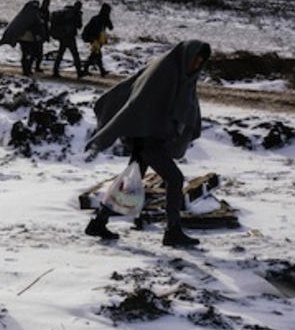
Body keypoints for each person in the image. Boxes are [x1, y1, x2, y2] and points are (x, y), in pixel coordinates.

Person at [84, 40, 212, 247]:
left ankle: (99, 222)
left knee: (130, 181)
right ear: (187, 55)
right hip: (146, 139)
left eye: (200, 62)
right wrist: (140, 132)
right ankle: (173, 231)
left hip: (150, 137)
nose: (196, 65)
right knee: (175, 179)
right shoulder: (165, 71)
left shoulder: (180, 73)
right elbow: (140, 100)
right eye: (195, 60)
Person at [50, 1, 84, 78]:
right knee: (75, 54)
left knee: (61, 53)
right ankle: (79, 71)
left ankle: (55, 70)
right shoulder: (75, 14)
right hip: (69, 36)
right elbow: (79, 26)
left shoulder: (67, 12)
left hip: (63, 35)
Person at [82, 3, 114, 76]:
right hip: (93, 38)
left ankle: (86, 69)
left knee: (95, 54)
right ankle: (101, 71)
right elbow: (93, 30)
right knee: (97, 54)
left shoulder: (100, 18)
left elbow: (111, 27)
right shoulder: (98, 19)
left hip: (97, 39)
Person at [34, 0, 51, 73]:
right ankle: (33, 67)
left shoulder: (46, 12)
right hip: (36, 34)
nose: (46, 5)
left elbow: (46, 24)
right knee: (36, 52)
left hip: (42, 33)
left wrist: (47, 35)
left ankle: (37, 67)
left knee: (39, 53)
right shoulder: (38, 11)